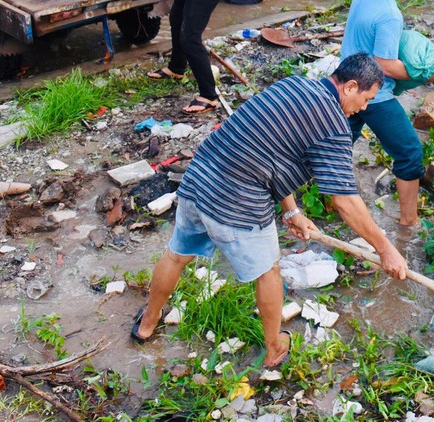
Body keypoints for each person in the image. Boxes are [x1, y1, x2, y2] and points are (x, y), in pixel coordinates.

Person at [130, 54, 408, 370]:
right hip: (238, 201)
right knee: (268, 272)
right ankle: (275, 347)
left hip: (200, 177)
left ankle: (147, 325)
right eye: (366, 99)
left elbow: (270, 149)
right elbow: (344, 200)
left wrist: (291, 211)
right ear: (351, 86)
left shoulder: (294, 85)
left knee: (177, 255)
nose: (364, 108)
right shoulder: (333, 125)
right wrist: (385, 249)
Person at [340, 0, 430, 227]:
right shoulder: (390, 14)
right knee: (410, 153)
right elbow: (385, 64)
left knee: (337, 147)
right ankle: (408, 221)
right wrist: (423, 73)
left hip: (346, 86)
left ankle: (303, 194)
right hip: (372, 96)